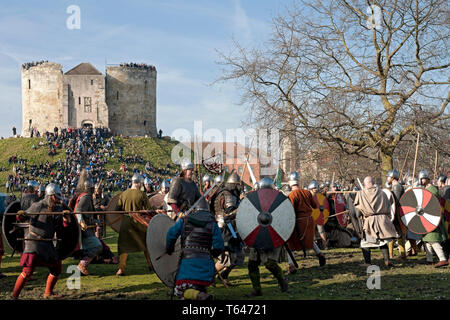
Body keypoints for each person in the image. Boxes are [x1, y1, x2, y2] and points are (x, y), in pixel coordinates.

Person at [12, 183, 71, 299]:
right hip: (34, 243)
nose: (59, 198)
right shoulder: (37, 206)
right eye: (56, 196)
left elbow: (62, 227)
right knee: (27, 272)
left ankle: (48, 292)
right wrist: (20, 215)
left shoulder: (58, 209)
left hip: (47, 244)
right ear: (51, 196)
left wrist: (65, 218)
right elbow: (22, 218)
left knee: (56, 269)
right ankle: (14, 296)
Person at [166, 199, 224, 300]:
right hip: (206, 264)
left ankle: (201, 296)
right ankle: (201, 294)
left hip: (187, 264)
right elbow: (219, 245)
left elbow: (171, 234)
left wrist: (169, 248)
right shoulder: (212, 224)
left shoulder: (184, 221)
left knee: (179, 290)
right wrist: (213, 254)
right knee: (200, 287)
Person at [247, 177, 288, 297]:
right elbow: (249, 213)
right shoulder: (255, 199)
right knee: (252, 264)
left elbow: (286, 218)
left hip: (272, 234)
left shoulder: (280, 200)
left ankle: (282, 280)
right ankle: (257, 289)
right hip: (257, 234)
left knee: (269, 263)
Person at [354, 176, 398, 267]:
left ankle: (368, 262)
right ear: (373, 183)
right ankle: (387, 260)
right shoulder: (382, 193)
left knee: (365, 243)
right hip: (382, 219)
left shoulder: (360, 194)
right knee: (382, 241)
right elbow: (389, 207)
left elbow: (357, 212)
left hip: (370, 221)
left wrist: (361, 216)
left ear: (364, 184)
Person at [211, 172, 245, 286]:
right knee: (225, 258)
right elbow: (229, 213)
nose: (239, 188)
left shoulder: (229, 193)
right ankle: (209, 276)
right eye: (237, 185)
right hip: (224, 229)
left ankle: (224, 276)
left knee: (239, 255)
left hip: (231, 228)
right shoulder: (227, 195)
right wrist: (242, 208)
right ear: (234, 185)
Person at [116, 173, 153, 276]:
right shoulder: (142, 195)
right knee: (146, 244)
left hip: (126, 224)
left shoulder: (123, 194)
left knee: (124, 247)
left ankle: (121, 269)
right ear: (139, 183)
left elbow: (117, 210)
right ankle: (151, 265)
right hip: (140, 223)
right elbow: (149, 210)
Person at [286, 174, 325, 274]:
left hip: (299, 221)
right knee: (309, 239)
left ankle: (291, 265)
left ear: (290, 184)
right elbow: (315, 206)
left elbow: (290, 210)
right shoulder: (307, 192)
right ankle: (320, 254)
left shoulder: (292, 195)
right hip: (310, 220)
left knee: (291, 242)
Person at [71, 172, 103, 276]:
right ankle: (82, 265)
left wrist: (96, 221)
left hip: (86, 227)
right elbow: (78, 210)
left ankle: (82, 266)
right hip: (84, 229)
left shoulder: (85, 196)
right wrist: (81, 222)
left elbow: (88, 214)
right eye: (92, 188)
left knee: (94, 246)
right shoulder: (86, 197)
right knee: (97, 246)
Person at [418, 170, 448, 267]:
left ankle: (443, 259)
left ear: (426, 179)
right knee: (426, 239)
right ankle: (429, 259)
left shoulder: (432, 190)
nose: (421, 180)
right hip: (426, 217)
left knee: (432, 238)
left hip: (432, 217)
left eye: (422, 178)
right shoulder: (426, 188)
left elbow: (431, 204)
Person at [386, 169, 408, 261]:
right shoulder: (396, 186)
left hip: (396, 214)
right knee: (397, 233)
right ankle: (394, 254)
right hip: (396, 213)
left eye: (388, 177)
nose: (387, 178)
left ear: (392, 177)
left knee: (396, 233)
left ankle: (399, 254)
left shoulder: (397, 187)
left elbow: (396, 202)